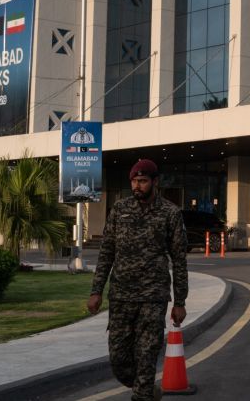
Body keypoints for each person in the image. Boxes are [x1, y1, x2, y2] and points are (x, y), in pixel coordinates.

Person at [87, 159, 190, 401]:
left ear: (155, 182)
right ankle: (146, 389)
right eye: (134, 181)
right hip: (121, 295)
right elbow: (106, 253)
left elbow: (179, 260)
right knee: (119, 359)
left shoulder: (170, 213)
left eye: (143, 181)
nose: (137, 185)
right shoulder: (119, 210)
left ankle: (143, 392)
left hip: (153, 297)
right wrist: (96, 290)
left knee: (146, 356)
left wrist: (180, 301)